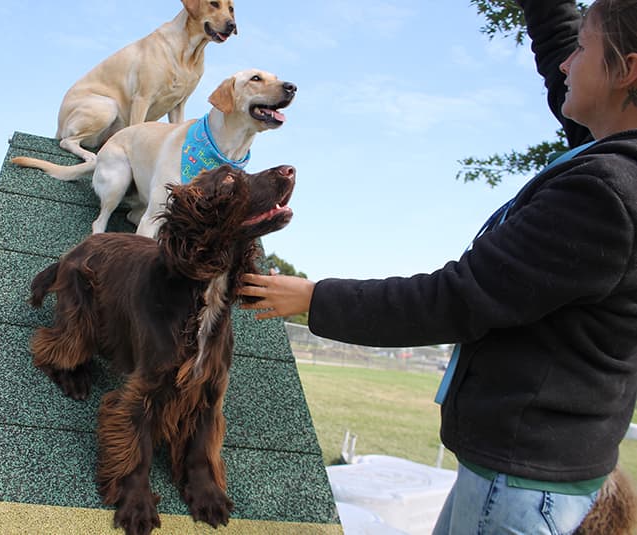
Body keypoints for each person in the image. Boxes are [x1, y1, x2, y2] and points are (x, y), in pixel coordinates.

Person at [239, 0, 637, 533]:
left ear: (627, 70)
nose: (567, 65)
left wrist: (316, 298)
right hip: (520, 474)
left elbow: (459, 297)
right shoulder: (613, 163)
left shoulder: (603, 193)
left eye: (584, 50)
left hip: (519, 490)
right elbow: (558, 60)